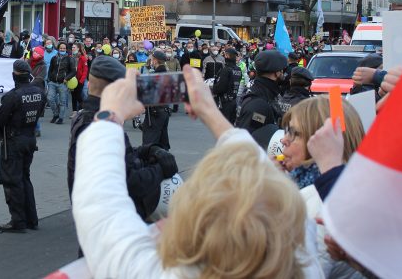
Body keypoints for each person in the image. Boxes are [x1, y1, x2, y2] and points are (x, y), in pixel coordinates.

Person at [71, 66, 322, 279]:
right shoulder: (301, 256)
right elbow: (285, 210)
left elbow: (100, 204)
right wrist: (211, 113)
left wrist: (109, 115)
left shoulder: (165, 272)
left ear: (196, 228)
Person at [67, 56, 173, 220]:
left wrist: (145, 151)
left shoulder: (89, 116)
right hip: (108, 219)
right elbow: (128, 181)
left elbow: (115, 158)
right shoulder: (99, 125)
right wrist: (161, 170)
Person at [0, 60, 46, 233]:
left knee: (12, 180)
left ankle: (18, 221)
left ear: (15, 74)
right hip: (30, 139)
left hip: (13, 142)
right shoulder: (39, 92)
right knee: (25, 178)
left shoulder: (12, 96)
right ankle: (31, 219)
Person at [280, 96, 365, 189]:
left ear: (323, 141)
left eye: (293, 133)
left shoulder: (316, 196)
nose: (283, 140)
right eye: (287, 131)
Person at [234, 50, 287, 133]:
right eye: (281, 71)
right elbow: (249, 139)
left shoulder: (266, 93)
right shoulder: (259, 104)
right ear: (277, 73)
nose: (282, 74)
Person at [140, 49, 171, 150]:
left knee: (150, 143)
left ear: (155, 61)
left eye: (152, 59)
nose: (151, 61)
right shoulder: (165, 73)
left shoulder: (156, 75)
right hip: (164, 111)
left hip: (155, 112)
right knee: (162, 140)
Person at [46, 42, 76, 125]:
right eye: (61, 48)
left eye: (64, 48)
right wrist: (49, 79)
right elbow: (50, 70)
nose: (62, 49)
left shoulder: (70, 59)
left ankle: (61, 118)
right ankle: (56, 114)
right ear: (58, 49)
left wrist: (66, 78)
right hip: (52, 82)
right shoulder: (54, 58)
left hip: (63, 83)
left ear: (66, 49)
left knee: (62, 102)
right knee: (50, 98)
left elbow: (73, 71)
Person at [211, 48, 242, 124]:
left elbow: (221, 87)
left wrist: (213, 89)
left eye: (225, 55)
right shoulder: (238, 70)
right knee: (231, 124)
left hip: (224, 102)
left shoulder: (226, 70)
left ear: (227, 56)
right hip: (233, 100)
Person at [70, 43, 88, 119]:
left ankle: (82, 109)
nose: (72, 48)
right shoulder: (70, 57)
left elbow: (85, 70)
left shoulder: (83, 58)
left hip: (79, 80)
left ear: (78, 48)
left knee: (78, 95)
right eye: (72, 47)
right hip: (71, 80)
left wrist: (81, 80)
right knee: (73, 96)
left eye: (74, 47)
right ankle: (74, 111)